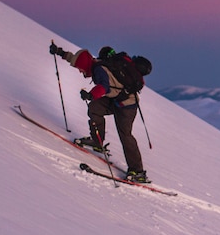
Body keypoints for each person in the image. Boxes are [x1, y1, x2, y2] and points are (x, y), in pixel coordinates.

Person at [49, 43, 149, 183]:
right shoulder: (97, 63)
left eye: (80, 69)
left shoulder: (99, 70)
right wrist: (59, 52)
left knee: (125, 135)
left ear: (85, 66)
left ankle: (138, 171)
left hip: (127, 105)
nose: (80, 71)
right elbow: (76, 59)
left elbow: (104, 87)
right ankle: (97, 142)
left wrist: (90, 95)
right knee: (95, 108)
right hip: (115, 100)